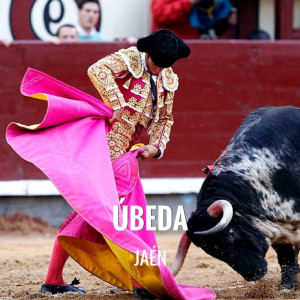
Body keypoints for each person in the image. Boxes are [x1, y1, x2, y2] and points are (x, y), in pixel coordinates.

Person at [40, 29, 191, 298]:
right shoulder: (130, 59)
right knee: (116, 215)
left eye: (165, 65)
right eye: (156, 63)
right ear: (148, 54)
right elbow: (97, 69)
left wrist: (155, 147)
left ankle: (54, 278)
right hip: (104, 146)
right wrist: (116, 103)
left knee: (94, 213)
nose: (159, 70)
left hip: (127, 150)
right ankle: (139, 281)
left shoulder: (168, 76)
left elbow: (165, 119)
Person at [152, 0, 237, 39]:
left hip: (194, 47)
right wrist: (189, 2)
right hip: (166, 48)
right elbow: (160, 14)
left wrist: (227, 19)